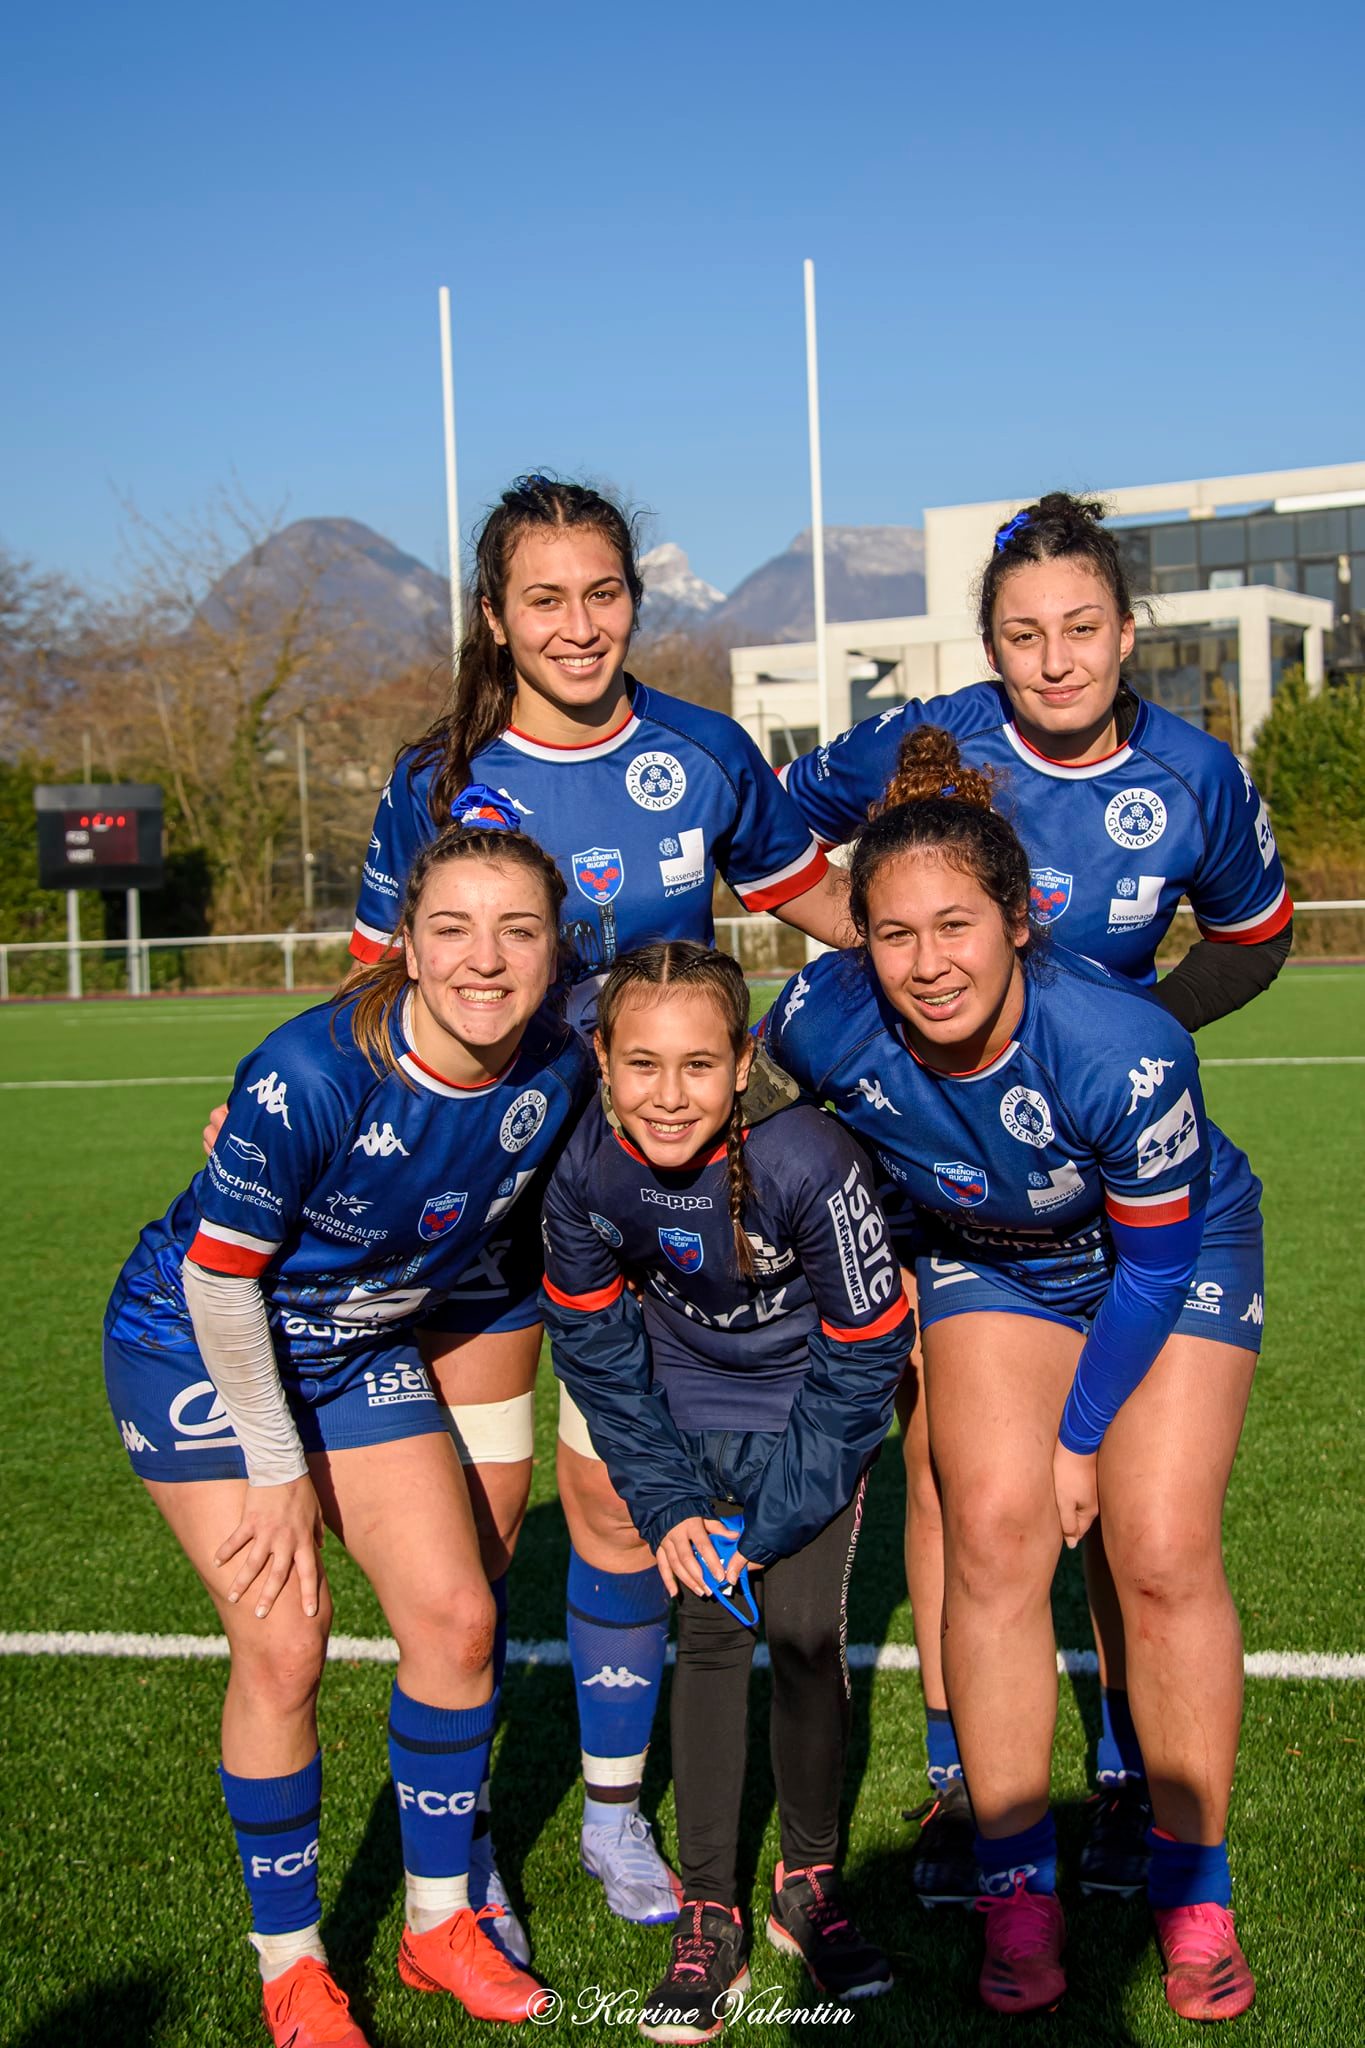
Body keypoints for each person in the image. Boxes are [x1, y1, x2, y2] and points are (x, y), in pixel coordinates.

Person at [349, 474, 853, 1930]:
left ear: (636, 598)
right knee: (479, 1532)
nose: (580, 626)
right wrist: (287, 1096)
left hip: (650, 1204)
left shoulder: (700, 751)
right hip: (479, 1201)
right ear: (495, 617)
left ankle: (615, 1819)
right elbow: (379, 983)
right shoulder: (433, 776)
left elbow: (831, 905)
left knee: (618, 1510)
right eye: (546, 598)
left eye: (605, 592)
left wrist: (978, 941)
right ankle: (465, 1837)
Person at [781, 491, 1291, 1901]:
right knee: (966, 1486)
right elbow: (775, 832)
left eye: (1080, 630)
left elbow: (1255, 936)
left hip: (1114, 1158)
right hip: (957, 1183)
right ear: (989, 646)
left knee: (1146, 1522)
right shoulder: (925, 739)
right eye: (1022, 635)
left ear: (1128, 633)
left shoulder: (1191, 774)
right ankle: (966, 1791)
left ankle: (1133, 1787)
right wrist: (889, 953)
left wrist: (1130, 1050)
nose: (1054, 660)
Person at [106, 821, 595, 2046]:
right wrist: (276, 1468)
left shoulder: (568, 1048)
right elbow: (223, 1286)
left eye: (517, 929)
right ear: (407, 949)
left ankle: (439, 1925)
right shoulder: (313, 1072)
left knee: (459, 1617)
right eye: (453, 928)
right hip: (199, 1339)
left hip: (357, 1341)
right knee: (285, 1641)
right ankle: (292, 1963)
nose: (486, 958)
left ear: (556, 949)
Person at [539, 942, 910, 2043]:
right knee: (704, 1629)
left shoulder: (809, 1155)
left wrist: (775, 1518)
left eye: (698, 1064)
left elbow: (864, 1357)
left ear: (743, 1060)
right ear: (601, 1058)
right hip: (687, 1411)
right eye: (640, 1062)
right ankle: (709, 1908)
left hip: (810, 1407)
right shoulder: (585, 1167)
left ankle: (808, 1878)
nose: (668, 1094)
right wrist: (669, 1507)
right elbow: (596, 1350)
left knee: (799, 1630)